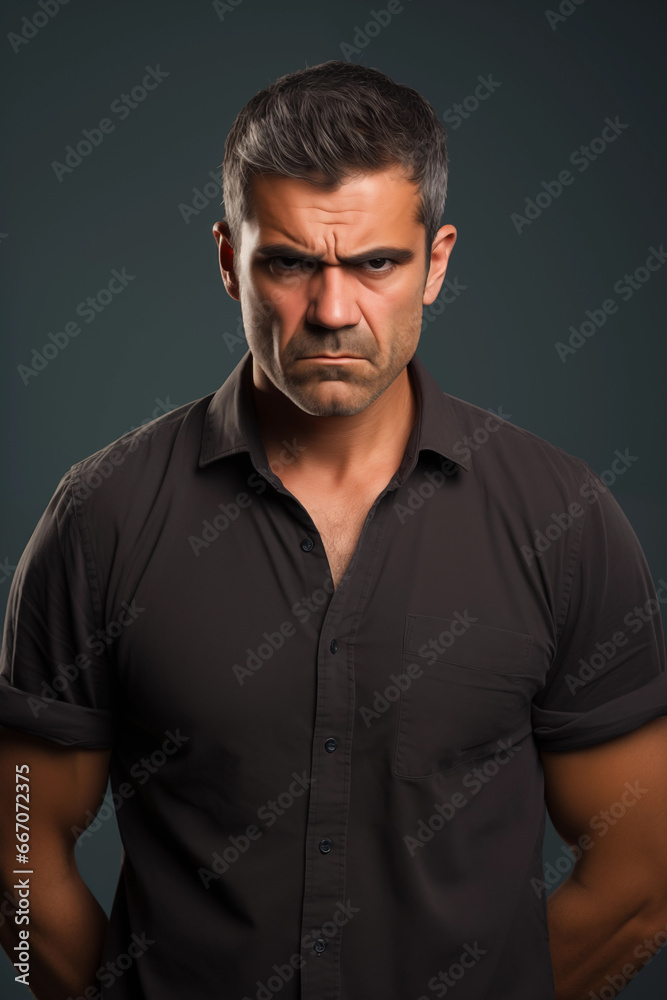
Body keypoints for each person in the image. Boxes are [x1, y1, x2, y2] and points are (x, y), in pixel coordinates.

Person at [1, 59, 666, 1000]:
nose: (331, 310)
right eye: (288, 263)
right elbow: (16, 858)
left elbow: (640, 887)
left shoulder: (561, 521)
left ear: (435, 264)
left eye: (375, 264)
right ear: (229, 259)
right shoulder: (101, 517)